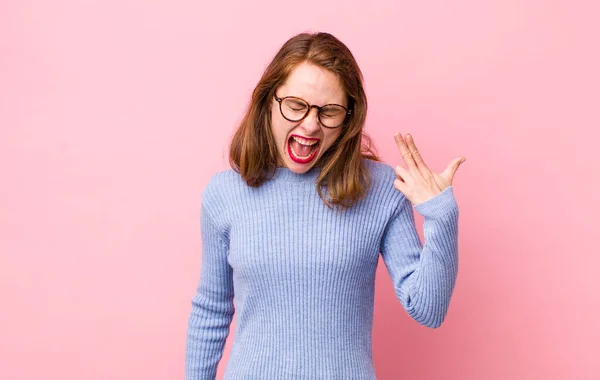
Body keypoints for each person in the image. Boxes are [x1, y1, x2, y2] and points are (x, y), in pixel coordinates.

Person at [185, 31, 466, 380]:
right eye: (296, 105)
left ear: (348, 118)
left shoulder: (381, 191)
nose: (310, 124)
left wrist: (440, 215)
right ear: (269, 101)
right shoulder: (224, 194)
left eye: (329, 111)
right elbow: (211, 310)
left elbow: (429, 309)